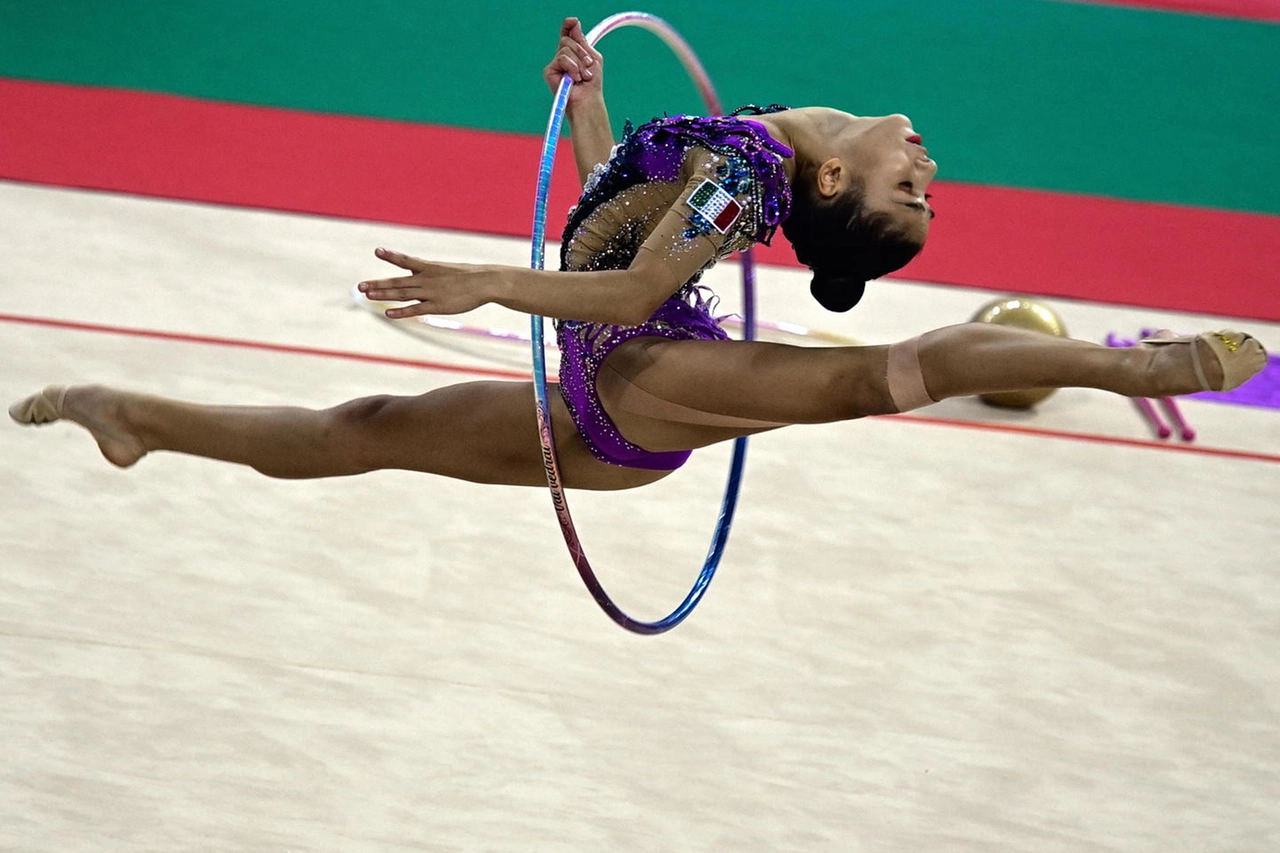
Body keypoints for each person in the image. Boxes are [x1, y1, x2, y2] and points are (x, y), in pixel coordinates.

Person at [8, 17, 1268, 492]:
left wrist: (492, 279)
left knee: (876, 372)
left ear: (830, 182)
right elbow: (612, 213)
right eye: (922, 192)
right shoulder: (749, 146)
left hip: (634, 392)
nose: (927, 173)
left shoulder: (747, 181)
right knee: (370, 422)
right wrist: (597, 102)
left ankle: (1139, 362)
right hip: (612, 355)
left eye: (909, 195)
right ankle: (134, 414)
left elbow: (630, 281)